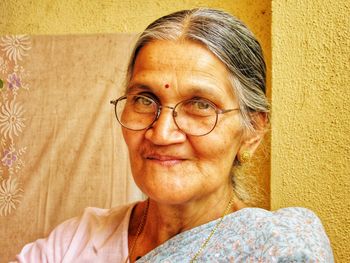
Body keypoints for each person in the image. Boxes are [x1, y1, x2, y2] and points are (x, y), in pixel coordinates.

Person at [14, 8, 333, 262]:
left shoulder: (277, 250)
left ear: (252, 132)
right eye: (144, 99)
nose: (162, 133)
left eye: (200, 104)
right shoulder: (74, 243)